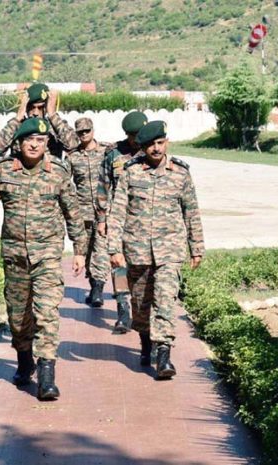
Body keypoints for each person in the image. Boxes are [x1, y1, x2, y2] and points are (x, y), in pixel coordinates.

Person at [0, 117, 87, 400]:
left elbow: (73, 212)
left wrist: (80, 250)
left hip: (47, 255)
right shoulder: (3, 171)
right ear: (19, 143)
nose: (34, 144)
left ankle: (47, 375)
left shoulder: (59, 172)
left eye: (40, 140)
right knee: (18, 316)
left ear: (47, 143)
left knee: (47, 313)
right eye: (29, 140)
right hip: (14, 257)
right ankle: (24, 361)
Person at [107, 120, 205, 379]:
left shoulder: (181, 173)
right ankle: (145, 341)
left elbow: (191, 212)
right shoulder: (131, 172)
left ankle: (164, 355)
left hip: (169, 250)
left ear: (166, 142)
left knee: (165, 301)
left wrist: (197, 247)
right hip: (137, 250)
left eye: (160, 143)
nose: (156, 149)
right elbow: (117, 212)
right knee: (140, 305)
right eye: (150, 145)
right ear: (143, 147)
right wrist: (113, 248)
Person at [94, 111, 147, 333]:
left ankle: (143, 313)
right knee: (119, 265)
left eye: (139, 135)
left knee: (143, 269)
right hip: (118, 218)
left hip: (144, 221)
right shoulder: (114, 155)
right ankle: (124, 312)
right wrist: (102, 218)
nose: (136, 140)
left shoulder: (152, 151)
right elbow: (103, 187)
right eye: (132, 136)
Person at [67, 117, 112, 308]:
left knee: (101, 250)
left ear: (93, 130)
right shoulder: (72, 157)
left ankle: (97, 290)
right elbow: (64, 181)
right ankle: (92, 283)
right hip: (82, 211)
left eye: (87, 130)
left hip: (104, 211)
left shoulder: (107, 151)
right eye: (81, 132)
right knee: (84, 251)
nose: (84, 134)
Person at [0, 83, 79, 159]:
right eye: (31, 107)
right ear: (26, 106)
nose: (35, 113)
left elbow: (73, 144)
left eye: (40, 108)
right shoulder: (17, 125)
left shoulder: (55, 125)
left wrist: (52, 114)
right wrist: (18, 118)